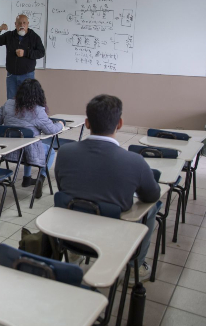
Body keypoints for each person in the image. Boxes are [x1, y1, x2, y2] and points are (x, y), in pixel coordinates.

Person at [54, 94, 162, 282]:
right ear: (119, 124)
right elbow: (152, 195)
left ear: (87, 123)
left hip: (70, 234)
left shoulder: (64, 152)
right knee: (151, 208)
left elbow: (63, 187)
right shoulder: (134, 161)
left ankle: (74, 254)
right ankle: (134, 266)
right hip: (112, 241)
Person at [0, 79, 63, 198]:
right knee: (50, 151)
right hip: (29, 151)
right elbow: (51, 130)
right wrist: (60, 124)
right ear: (38, 94)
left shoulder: (8, 104)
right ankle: (41, 177)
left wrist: (4, 136)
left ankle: (27, 179)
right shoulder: (38, 111)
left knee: (27, 141)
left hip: (8, 151)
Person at [0, 14, 46, 100]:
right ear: (15, 24)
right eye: (19, 23)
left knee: (27, 102)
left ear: (28, 24)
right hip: (11, 76)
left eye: (24, 23)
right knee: (11, 102)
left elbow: (41, 52)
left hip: (27, 75)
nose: (22, 25)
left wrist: (25, 53)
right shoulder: (9, 35)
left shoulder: (34, 37)